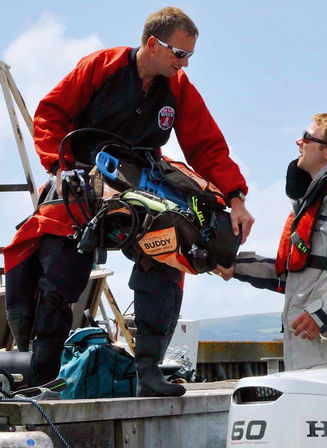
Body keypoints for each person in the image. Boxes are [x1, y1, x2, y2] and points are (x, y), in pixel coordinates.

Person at [3, 6, 254, 396]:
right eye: (179, 53)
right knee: (59, 274)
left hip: (142, 185)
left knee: (169, 250)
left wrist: (236, 197)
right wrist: (59, 165)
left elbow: (207, 145)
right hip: (82, 179)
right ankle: (42, 381)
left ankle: (149, 373)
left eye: (189, 56)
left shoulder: (179, 86)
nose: (184, 63)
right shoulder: (100, 67)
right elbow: (50, 114)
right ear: (153, 44)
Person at [216, 113, 327, 372]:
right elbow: (299, 274)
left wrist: (322, 312)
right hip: (308, 349)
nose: (299, 141)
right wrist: (235, 266)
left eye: (308, 137)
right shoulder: (316, 204)